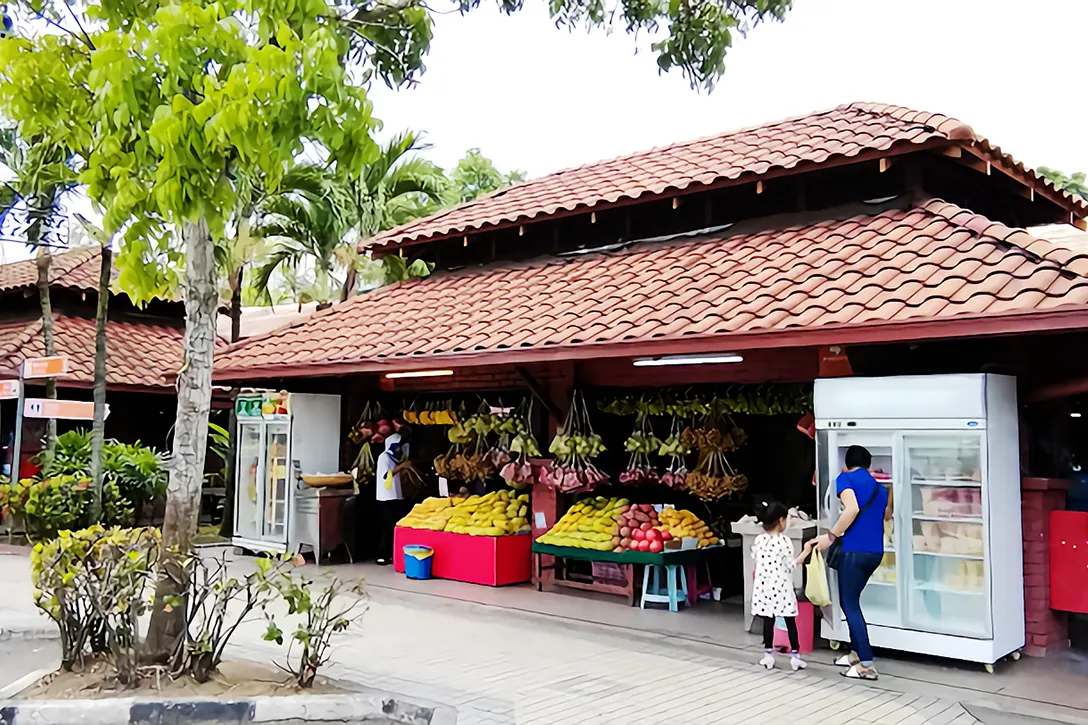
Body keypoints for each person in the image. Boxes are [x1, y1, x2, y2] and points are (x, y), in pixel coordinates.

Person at [813, 444, 890, 680]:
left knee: (850, 604)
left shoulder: (844, 479)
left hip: (854, 551)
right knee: (853, 601)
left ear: (846, 464)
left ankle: (866, 664)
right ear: (868, 464)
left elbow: (852, 509)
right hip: (875, 552)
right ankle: (856, 653)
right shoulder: (881, 489)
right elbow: (886, 515)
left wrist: (830, 536)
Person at [751, 499, 814, 671]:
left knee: (767, 621)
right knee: (789, 621)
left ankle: (768, 655)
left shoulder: (758, 540)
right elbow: (790, 565)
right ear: (780, 521)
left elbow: (755, 559)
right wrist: (806, 550)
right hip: (781, 588)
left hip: (763, 588)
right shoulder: (784, 541)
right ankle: (795, 657)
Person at [374, 428, 410, 566]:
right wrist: (401, 467)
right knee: (387, 527)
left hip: (395, 495)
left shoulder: (395, 458)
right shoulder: (384, 457)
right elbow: (386, 475)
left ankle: (391, 553)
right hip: (385, 497)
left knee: (394, 526)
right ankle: (381, 554)